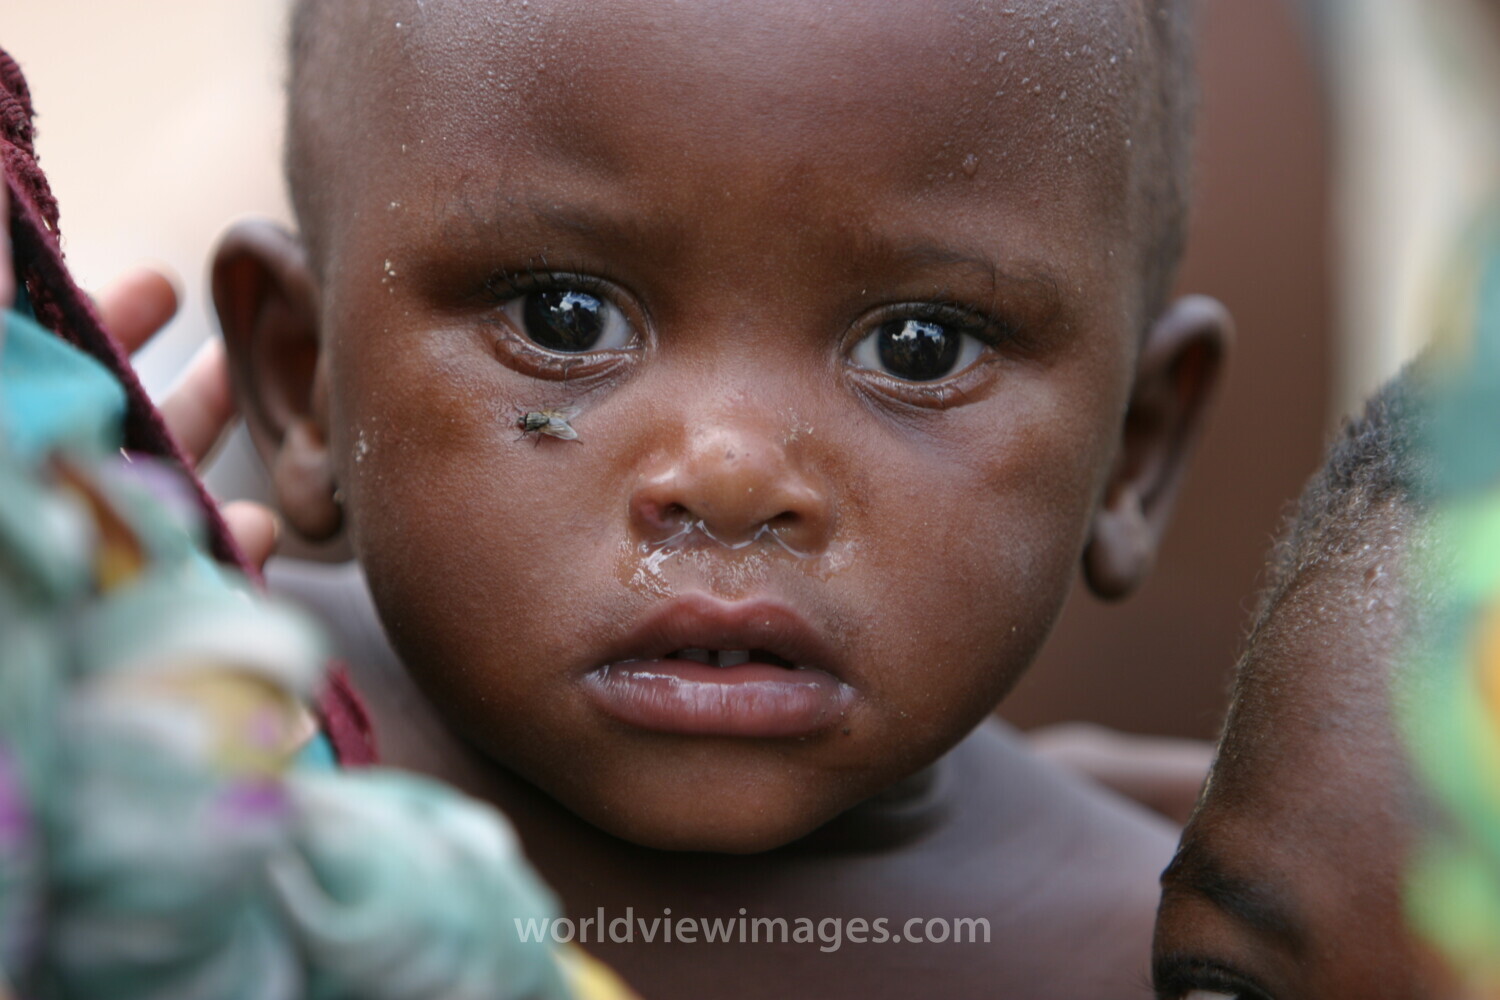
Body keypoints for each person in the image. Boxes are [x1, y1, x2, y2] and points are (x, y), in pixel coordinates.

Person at [214, 1, 1231, 995]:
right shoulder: (175, 744)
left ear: (1132, 450)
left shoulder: (1171, 958)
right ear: (302, 377)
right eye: (562, 320)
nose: (732, 475)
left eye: (919, 347)